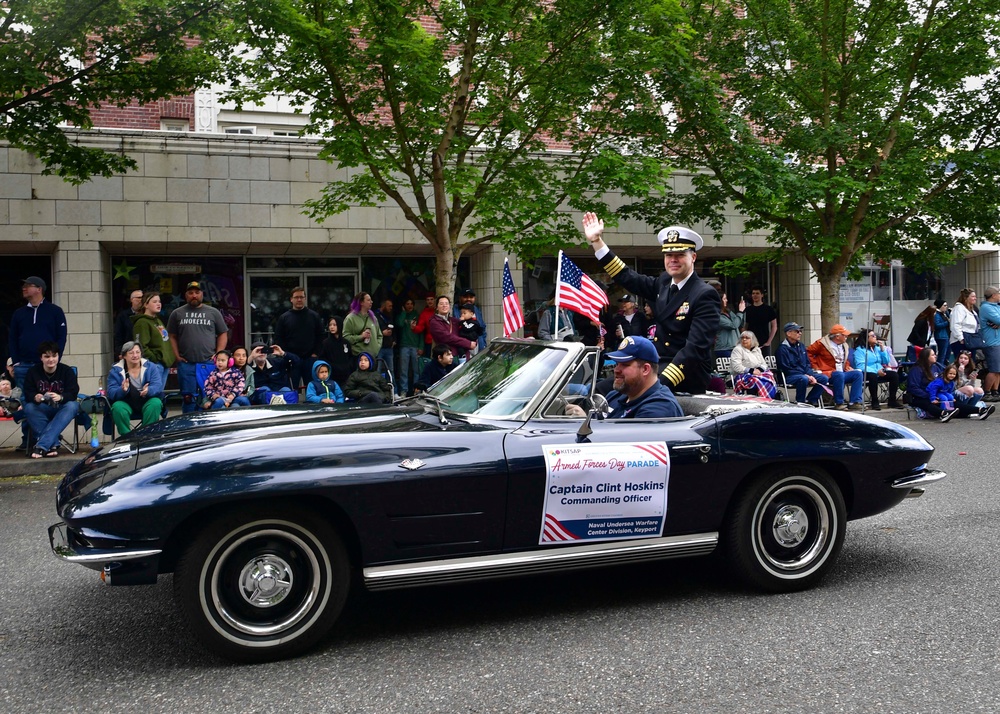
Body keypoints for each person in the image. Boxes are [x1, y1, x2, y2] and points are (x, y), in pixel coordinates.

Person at [582, 212, 719, 394]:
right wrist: (597, 242)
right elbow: (627, 277)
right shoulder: (663, 283)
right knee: (598, 390)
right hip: (654, 366)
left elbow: (694, 351)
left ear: (693, 257)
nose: (673, 260)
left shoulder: (704, 294)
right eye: (668, 255)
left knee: (623, 394)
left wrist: (657, 385)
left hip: (685, 373)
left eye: (679, 254)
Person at [167, 281, 228, 413]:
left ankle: (208, 428)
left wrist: (218, 354)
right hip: (186, 363)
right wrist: (176, 356)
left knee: (209, 398)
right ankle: (189, 428)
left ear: (202, 294)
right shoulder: (177, 313)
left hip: (208, 362)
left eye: (197, 292)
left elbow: (223, 333)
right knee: (188, 398)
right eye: (190, 293)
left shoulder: (213, 312)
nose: (194, 295)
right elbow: (171, 336)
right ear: (186, 295)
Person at [22, 340, 79, 458]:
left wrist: (61, 397)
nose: (51, 359)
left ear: (58, 356)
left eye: (54, 356)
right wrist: (35, 397)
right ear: (41, 358)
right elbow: (27, 392)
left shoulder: (67, 371)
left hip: (61, 407)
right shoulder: (32, 372)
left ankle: (42, 446)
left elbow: (73, 393)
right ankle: (51, 444)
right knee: (29, 407)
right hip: (42, 407)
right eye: (47, 356)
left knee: (73, 405)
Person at [9, 276, 68, 391]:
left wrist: (54, 359)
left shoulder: (55, 311)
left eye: (27, 286)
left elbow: (61, 337)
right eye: (23, 286)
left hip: (46, 365)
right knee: (24, 400)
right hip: (23, 365)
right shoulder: (19, 313)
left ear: (39, 289)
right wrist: (16, 362)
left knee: (46, 398)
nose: (23, 288)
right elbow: (12, 339)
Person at [603, 336, 683, 418]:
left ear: (645, 369)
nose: (616, 370)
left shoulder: (659, 408)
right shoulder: (615, 395)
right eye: (617, 364)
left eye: (624, 365)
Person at [906, 347, 989, 421]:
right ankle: (944, 414)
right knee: (929, 404)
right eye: (932, 355)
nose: (935, 356)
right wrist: (929, 395)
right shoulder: (916, 369)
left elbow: (944, 380)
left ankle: (980, 410)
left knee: (954, 403)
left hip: (938, 393)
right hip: (921, 396)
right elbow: (913, 387)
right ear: (926, 357)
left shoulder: (936, 367)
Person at [273, 286, 325, 391]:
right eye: (296, 297)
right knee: (291, 391)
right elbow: (279, 338)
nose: (299, 299)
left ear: (305, 298)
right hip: (291, 360)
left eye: (302, 297)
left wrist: (315, 354)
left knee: (312, 389)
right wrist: (285, 355)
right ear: (291, 299)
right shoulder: (284, 318)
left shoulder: (314, 316)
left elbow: (321, 336)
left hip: (310, 359)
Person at [106, 341, 165, 432]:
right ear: (124, 356)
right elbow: (111, 392)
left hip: (146, 400)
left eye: (137, 352)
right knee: (117, 408)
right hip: (126, 401)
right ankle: (127, 438)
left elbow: (158, 386)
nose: (135, 355)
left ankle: (146, 435)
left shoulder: (151, 367)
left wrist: (149, 390)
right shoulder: (115, 370)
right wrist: (122, 390)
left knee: (155, 403)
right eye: (131, 353)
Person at [806, 324, 864, 410]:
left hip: (841, 372)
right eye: (844, 335)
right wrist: (816, 367)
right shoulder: (821, 343)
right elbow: (808, 353)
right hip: (828, 372)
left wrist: (847, 366)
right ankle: (839, 403)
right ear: (837, 336)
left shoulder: (844, 345)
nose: (846, 337)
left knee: (858, 374)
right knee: (839, 375)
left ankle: (855, 402)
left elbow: (844, 359)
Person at [776, 322, 829, 405]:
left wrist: (810, 375)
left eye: (800, 331)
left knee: (824, 378)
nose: (800, 333)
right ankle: (801, 402)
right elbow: (786, 369)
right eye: (797, 331)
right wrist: (806, 376)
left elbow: (807, 363)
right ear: (789, 333)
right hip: (789, 376)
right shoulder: (782, 349)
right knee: (803, 379)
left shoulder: (801, 346)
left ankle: (811, 400)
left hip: (804, 374)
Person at [852, 329, 901, 410]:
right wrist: (876, 372)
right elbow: (860, 365)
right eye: (873, 336)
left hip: (879, 370)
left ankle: (892, 400)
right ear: (866, 338)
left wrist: (882, 350)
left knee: (894, 375)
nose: (876, 337)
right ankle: (875, 401)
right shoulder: (859, 350)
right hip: (866, 372)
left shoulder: (877, 348)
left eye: (875, 336)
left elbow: (886, 361)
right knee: (873, 376)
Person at [131, 291, 175, 382]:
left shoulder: (158, 320)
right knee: (153, 393)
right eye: (154, 302)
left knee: (159, 394)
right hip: (155, 365)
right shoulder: (142, 322)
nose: (158, 304)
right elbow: (141, 346)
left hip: (164, 364)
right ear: (145, 305)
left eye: (159, 302)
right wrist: (155, 359)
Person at [730, 330, 777, 399]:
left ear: (753, 340)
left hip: (757, 373)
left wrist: (759, 370)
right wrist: (752, 371)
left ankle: (769, 398)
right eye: (742, 338)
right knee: (756, 380)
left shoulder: (757, 349)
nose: (744, 339)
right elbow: (736, 366)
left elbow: (764, 364)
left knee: (769, 378)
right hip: (741, 375)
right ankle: (761, 398)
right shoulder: (737, 350)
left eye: (747, 338)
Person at [708, 281, 745, 359]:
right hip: (724, 348)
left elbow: (739, 323)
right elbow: (733, 325)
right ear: (719, 300)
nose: (726, 300)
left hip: (734, 347)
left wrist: (742, 311)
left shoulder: (728, 311)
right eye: (724, 299)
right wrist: (740, 312)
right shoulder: (716, 314)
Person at [978, 286, 1000, 402]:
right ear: (993, 295)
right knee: (994, 369)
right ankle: (987, 392)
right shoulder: (986, 307)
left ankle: (995, 391)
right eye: (998, 293)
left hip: (998, 341)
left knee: (998, 369)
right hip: (992, 342)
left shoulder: (996, 306)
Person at [318, 316, 354, 388]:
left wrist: (348, 367)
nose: (332, 327)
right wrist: (333, 367)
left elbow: (350, 357)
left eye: (334, 325)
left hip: (345, 375)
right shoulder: (326, 343)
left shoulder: (345, 342)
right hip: (332, 375)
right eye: (330, 325)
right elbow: (322, 358)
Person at [343, 292, 382, 357]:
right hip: (358, 357)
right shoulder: (350, 318)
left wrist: (377, 347)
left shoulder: (373, 318)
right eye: (368, 300)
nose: (371, 302)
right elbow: (346, 338)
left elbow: (379, 335)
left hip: (373, 356)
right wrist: (361, 337)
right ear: (361, 302)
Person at [397, 298, 422, 396]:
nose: (410, 305)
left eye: (411, 303)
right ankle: (404, 390)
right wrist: (403, 313)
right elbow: (399, 324)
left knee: (416, 370)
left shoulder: (417, 315)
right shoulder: (401, 315)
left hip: (415, 346)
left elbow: (421, 333)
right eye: (407, 304)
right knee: (404, 371)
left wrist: (421, 346)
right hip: (404, 346)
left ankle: (416, 390)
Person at [744, 285, 778, 356]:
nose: (755, 295)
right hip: (750, 343)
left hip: (764, 343)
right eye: (753, 293)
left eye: (757, 293)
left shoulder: (768, 309)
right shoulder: (748, 310)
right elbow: (745, 326)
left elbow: (774, 326)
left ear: (762, 295)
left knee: (764, 365)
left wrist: (769, 342)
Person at [949, 288, 980, 359]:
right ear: (966, 298)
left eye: (975, 296)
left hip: (971, 341)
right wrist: (961, 339)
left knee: (971, 364)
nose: (975, 298)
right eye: (973, 296)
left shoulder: (972, 310)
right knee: (962, 363)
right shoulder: (959, 308)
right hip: (961, 341)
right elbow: (955, 325)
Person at [113, 289, 145, 357]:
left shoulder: (147, 315)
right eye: (139, 298)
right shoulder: (123, 315)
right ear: (131, 299)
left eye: (143, 298)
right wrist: (120, 352)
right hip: (130, 352)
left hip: (145, 352)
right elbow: (118, 335)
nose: (141, 300)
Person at [374, 298, 396, 380]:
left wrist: (394, 340)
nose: (391, 308)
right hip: (379, 347)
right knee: (378, 369)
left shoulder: (390, 316)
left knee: (391, 370)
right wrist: (382, 333)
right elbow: (372, 331)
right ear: (383, 306)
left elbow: (394, 329)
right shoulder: (375, 317)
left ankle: (394, 390)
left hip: (389, 346)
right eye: (389, 306)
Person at [933, 299, 951, 363]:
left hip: (946, 336)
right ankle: (940, 368)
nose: (946, 307)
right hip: (941, 336)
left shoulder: (945, 313)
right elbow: (937, 325)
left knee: (947, 353)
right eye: (944, 305)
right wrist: (947, 322)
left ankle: (944, 367)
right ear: (940, 306)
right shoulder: (937, 315)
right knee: (942, 354)